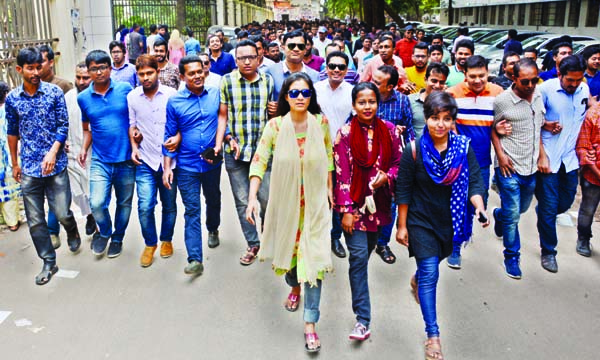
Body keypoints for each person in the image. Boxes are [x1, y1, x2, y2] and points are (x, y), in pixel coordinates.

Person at [396, 91, 487, 360]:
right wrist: (402, 227)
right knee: (430, 273)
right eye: (435, 118)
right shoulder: (412, 150)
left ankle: (417, 279)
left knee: (432, 265)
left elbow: (475, 182)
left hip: (450, 220)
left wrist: (480, 207)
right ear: (426, 118)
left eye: (446, 119)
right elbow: (403, 190)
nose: (440, 124)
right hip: (420, 219)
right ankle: (433, 335)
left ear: (453, 122)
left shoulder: (463, 147)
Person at [246, 73, 333, 353]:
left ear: (311, 97)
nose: (299, 98)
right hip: (285, 207)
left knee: (314, 262)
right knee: (292, 263)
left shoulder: (320, 124)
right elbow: (259, 161)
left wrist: (330, 191)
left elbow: (329, 159)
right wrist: (251, 200)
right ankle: (293, 286)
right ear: (285, 97)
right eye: (294, 93)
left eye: (305, 93)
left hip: (315, 206)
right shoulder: (275, 126)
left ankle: (310, 324)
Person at [6, 47, 82, 285]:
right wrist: (15, 163)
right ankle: (49, 262)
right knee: (36, 219)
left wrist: (52, 152)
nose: (36, 72)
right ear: (20, 70)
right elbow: (12, 132)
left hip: (56, 165)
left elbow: (63, 125)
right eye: (30, 68)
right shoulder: (12, 99)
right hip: (29, 168)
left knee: (61, 212)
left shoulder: (54, 93)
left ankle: (71, 229)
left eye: (39, 66)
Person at [334, 82, 402, 341]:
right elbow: (341, 175)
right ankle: (363, 319)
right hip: (354, 208)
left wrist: (388, 177)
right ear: (353, 105)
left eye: (371, 101)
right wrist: (346, 211)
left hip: (381, 207)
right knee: (359, 257)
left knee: (369, 249)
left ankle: (362, 312)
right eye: (361, 102)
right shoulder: (344, 134)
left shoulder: (391, 131)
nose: (367, 106)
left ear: (378, 103)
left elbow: (398, 163)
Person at [162, 55, 223, 276]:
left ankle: (213, 228)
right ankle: (195, 258)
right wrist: (167, 167)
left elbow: (223, 122)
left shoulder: (216, 94)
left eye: (200, 71)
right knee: (192, 209)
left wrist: (225, 141)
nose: (197, 76)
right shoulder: (175, 102)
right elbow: (170, 134)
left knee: (213, 198)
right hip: (186, 165)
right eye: (192, 73)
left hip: (212, 163)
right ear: (182, 76)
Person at [218, 40, 274, 265]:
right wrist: (227, 138)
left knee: (267, 199)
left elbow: (273, 116)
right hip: (236, 153)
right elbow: (223, 115)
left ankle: (267, 233)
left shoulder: (268, 81)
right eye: (242, 58)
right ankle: (253, 243)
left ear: (259, 57)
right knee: (242, 201)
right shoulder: (227, 81)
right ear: (236, 60)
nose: (247, 61)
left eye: (251, 57)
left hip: (263, 153)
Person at [446, 55, 503, 268]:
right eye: (473, 76)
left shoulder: (498, 94)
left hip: (483, 161)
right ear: (464, 74)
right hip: (458, 159)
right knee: (460, 203)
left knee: (479, 203)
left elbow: (502, 123)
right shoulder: (453, 94)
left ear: (488, 73)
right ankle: (456, 246)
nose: (478, 80)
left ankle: (495, 217)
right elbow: (447, 123)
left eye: (482, 76)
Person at [491, 58, 546, 279]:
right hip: (509, 168)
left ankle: (499, 215)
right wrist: (501, 157)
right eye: (526, 82)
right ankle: (511, 257)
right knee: (514, 217)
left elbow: (538, 126)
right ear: (514, 78)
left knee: (520, 209)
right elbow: (492, 130)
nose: (531, 86)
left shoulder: (539, 95)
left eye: (535, 80)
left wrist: (542, 155)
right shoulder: (502, 101)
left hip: (530, 167)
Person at [78, 50, 135, 259]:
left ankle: (118, 238)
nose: (99, 72)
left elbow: (135, 119)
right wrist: (84, 148)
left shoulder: (125, 90)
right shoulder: (83, 98)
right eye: (94, 68)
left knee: (124, 203)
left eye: (103, 67)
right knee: (97, 203)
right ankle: (105, 231)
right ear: (89, 71)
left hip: (126, 160)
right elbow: (87, 128)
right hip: (100, 160)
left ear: (110, 69)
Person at [536, 55, 589, 273]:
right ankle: (549, 252)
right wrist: (541, 155)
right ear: (559, 74)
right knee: (549, 209)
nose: (574, 85)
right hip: (549, 159)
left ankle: (544, 214)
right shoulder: (545, 90)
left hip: (571, 160)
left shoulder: (583, 90)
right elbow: (532, 122)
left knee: (565, 203)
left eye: (578, 80)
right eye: (570, 80)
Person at [128, 55, 179, 267]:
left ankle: (166, 239)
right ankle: (150, 244)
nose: (146, 77)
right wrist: (133, 147)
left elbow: (180, 124)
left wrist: (178, 138)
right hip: (145, 160)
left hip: (169, 161)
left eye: (150, 73)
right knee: (145, 206)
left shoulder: (172, 95)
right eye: (141, 74)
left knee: (169, 205)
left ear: (157, 71)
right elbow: (131, 125)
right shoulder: (132, 97)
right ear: (137, 75)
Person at [370, 65, 414, 264]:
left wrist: (411, 152)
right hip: (368, 158)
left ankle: (382, 242)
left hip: (393, 162)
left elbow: (409, 129)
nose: (372, 83)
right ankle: (366, 237)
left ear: (390, 87)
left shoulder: (402, 101)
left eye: (378, 82)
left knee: (391, 202)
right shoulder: (367, 97)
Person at [315, 50, 354, 259]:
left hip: (343, 153)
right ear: (326, 68)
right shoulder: (315, 89)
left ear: (347, 70)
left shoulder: (352, 91)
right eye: (332, 66)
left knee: (339, 196)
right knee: (318, 195)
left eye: (341, 67)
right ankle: (318, 236)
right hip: (317, 151)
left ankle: (335, 237)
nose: (336, 70)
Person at [63, 63, 97, 238]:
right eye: (78, 77)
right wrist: (64, 142)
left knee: (93, 193)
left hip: (92, 153)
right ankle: (89, 215)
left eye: (85, 78)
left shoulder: (96, 96)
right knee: (78, 194)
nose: (81, 81)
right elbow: (61, 122)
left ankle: (99, 226)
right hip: (71, 153)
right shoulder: (68, 97)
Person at [575, 99, 600, 257]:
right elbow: (583, 148)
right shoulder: (593, 115)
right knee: (588, 209)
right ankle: (583, 238)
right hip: (594, 174)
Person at [266, 30, 320, 100]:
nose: (296, 49)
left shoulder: (314, 76)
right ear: (283, 47)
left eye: (300, 46)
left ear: (305, 50)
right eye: (291, 46)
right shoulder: (271, 72)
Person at [409, 62, 450, 139]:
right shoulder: (410, 100)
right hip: (416, 148)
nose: (437, 86)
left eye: (441, 82)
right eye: (434, 81)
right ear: (425, 79)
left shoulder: (447, 103)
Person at [0, 81, 20, 232]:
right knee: (10, 190)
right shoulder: (9, 111)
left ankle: (7, 219)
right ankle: (13, 221)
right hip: (9, 157)